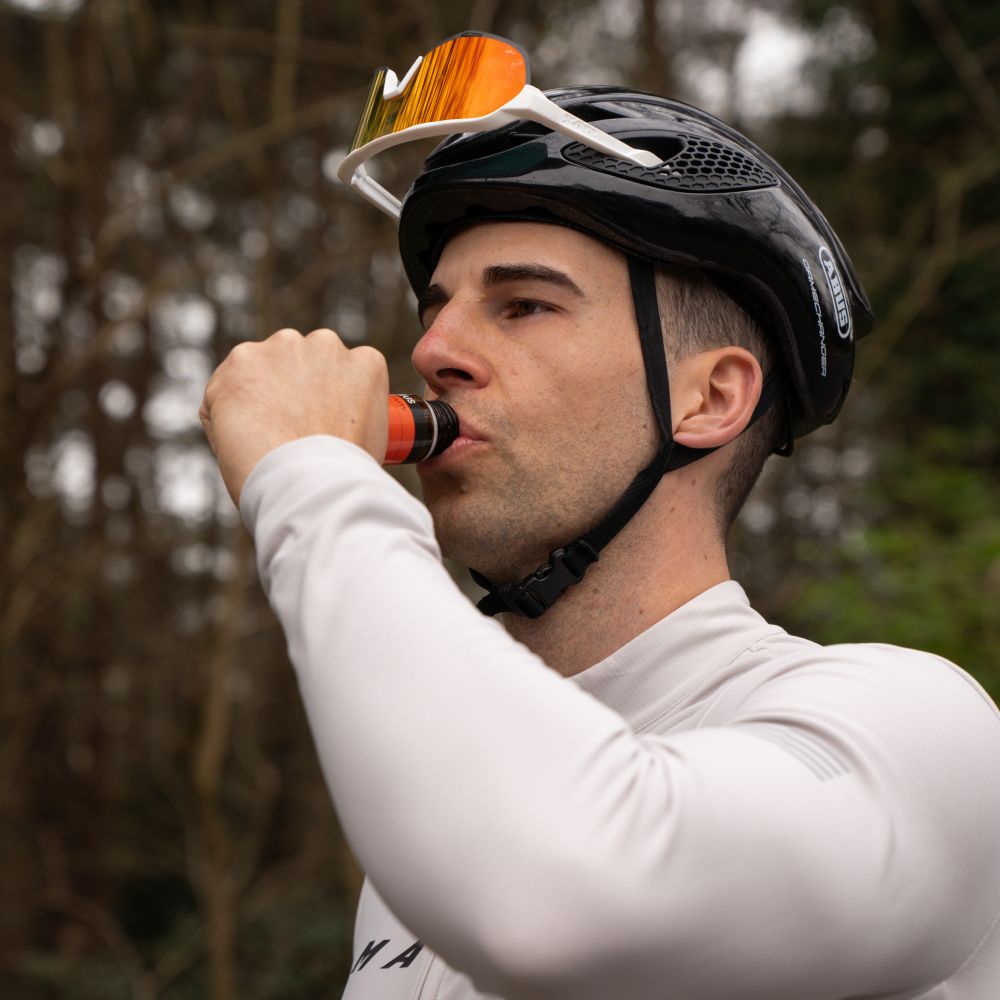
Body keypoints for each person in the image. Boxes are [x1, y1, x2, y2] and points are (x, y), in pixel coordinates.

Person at [199, 32, 1000, 1000]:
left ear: (711, 400)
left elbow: (566, 889)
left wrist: (310, 475)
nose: (435, 349)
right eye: (436, 308)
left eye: (525, 306)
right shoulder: (432, 838)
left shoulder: (919, 735)